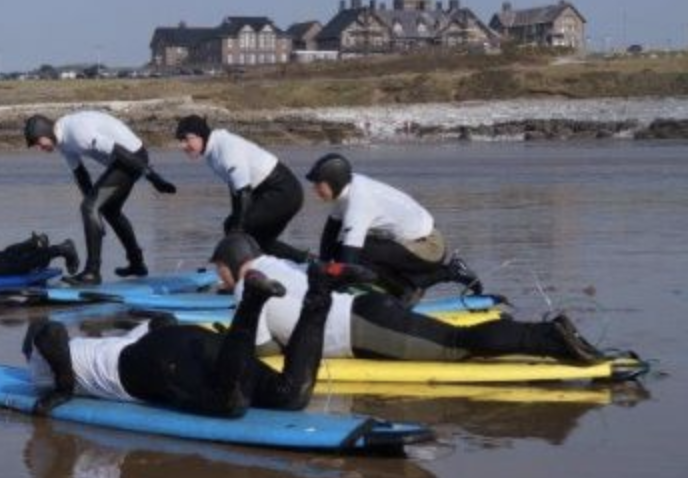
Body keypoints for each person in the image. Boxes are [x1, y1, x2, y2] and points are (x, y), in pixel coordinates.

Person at [22, 256, 355, 420]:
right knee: (290, 395)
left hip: (156, 364)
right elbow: (163, 322)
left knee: (230, 405)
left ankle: (252, 301)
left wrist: (63, 389)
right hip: (182, 343)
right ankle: (320, 290)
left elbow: (49, 331)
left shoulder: (37, 366)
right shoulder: (100, 345)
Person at [209, 232, 605, 364]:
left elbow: (263, 353)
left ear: (230, 265)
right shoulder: (276, 262)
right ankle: (533, 333)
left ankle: (548, 338)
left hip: (359, 331)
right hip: (365, 309)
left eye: (218, 271)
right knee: (450, 338)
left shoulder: (249, 289)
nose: (219, 279)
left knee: (454, 345)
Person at [23, 111, 176, 286]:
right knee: (109, 210)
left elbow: (118, 150)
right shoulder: (62, 141)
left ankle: (92, 272)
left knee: (90, 207)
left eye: (37, 142)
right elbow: (81, 175)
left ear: (45, 132)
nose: (38, 148)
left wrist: (152, 176)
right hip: (122, 162)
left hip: (131, 158)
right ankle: (136, 263)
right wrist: (95, 216)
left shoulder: (76, 132)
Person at [305, 152, 480, 303]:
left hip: (429, 247)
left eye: (318, 184)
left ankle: (450, 272)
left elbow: (349, 260)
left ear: (334, 181)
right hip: (408, 242)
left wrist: (330, 292)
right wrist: (322, 268)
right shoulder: (346, 191)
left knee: (359, 254)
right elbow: (329, 236)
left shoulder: (359, 202)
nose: (314, 189)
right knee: (342, 251)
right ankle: (403, 290)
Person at [174, 114, 306, 260]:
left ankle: (240, 271)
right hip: (268, 192)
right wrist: (235, 228)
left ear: (201, 135)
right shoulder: (212, 152)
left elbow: (244, 192)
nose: (183, 146)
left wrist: (238, 230)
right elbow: (237, 194)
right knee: (259, 241)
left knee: (240, 232)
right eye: (180, 141)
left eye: (187, 139)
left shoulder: (225, 147)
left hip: (283, 191)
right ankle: (309, 261)